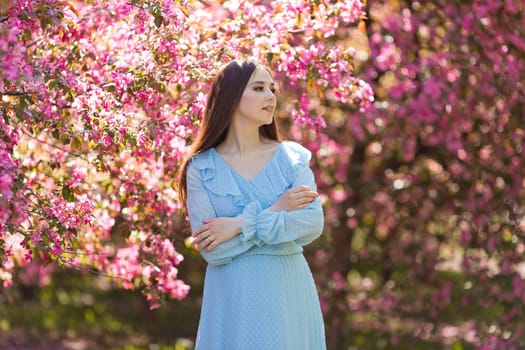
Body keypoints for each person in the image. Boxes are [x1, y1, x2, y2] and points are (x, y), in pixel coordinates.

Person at [178, 60, 326, 350]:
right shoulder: (201, 168)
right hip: (233, 297)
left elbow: (311, 224)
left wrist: (239, 225)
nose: (270, 96)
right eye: (259, 88)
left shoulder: (292, 159)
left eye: (272, 89)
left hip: (288, 292)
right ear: (230, 96)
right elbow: (216, 250)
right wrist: (276, 210)